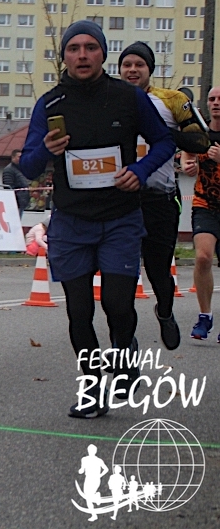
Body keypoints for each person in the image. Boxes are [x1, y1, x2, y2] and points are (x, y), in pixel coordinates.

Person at [19, 20, 174, 418]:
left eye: (91, 47)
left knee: (118, 305)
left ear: (103, 53)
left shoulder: (127, 97)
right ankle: (92, 389)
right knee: (79, 310)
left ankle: (124, 357)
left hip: (120, 217)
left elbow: (164, 141)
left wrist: (139, 171)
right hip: (72, 221)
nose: (82, 55)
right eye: (74, 49)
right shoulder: (51, 104)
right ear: (64, 57)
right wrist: (47, 150)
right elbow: (29, 165)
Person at [119, 41, 209, 350]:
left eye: (139, 65)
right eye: (127, 65)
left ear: (150, 70)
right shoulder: (109, 100)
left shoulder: (172, 100)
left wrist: (160, 132)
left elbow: (201, 141)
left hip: (159, 199)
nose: (132, 70)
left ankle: (166, 311)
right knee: (121, 275)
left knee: (159, 271)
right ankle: (124, 338)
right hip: (121, 200)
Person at [180, 86, 220, 342]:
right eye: (212, 99)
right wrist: (187, 164)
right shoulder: (201, 133)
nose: (216, 103)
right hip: (205, 203)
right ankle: (205, 316)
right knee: (203, 257)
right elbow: (187, 151)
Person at [78, 444, 109, 522]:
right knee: (87, 498)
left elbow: (106, 469)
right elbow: (82, 469)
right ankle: (94, 514)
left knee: (88, 497)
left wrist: (99, 475)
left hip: (94, 479)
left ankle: (96, 496)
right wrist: (80, 471)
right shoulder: (84, 459)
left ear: (95, 451)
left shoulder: (98, 460)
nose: (91, 451)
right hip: (89, 478)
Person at [1, 149, 31, 217]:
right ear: (13, 157)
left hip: (22, 201)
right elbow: (8, 186)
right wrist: (15, 199)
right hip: (15, 201)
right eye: (19, 157)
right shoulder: (9, 170)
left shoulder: (20, 169)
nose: (21, 159)